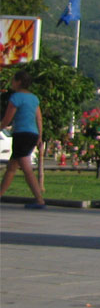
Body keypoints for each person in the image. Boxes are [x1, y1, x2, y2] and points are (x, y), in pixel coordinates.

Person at [0, 70, 46, 209]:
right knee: (11, 167)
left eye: (13, 80)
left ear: (19, 81)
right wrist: (40, 136)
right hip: (32, 134)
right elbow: (39, 117)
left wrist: (1, 126)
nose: (12, 83)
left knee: (26, 168)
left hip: (22, 134)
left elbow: (8, 119)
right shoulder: (34, 98)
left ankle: (39, 200)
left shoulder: (16, 97)